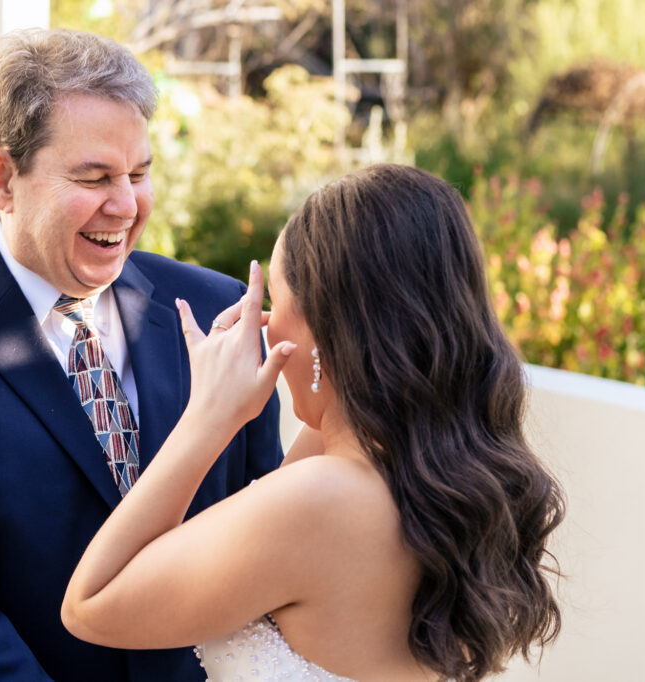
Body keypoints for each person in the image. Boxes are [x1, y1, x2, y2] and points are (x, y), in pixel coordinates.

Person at [0, 28, 283, 682]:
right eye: (94, 177)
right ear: (0, 178)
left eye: (139, 174)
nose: (125, 205)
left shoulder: (218, 310)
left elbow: (265, 535)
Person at [62, 163, 565, 682]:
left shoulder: (322, 498)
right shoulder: (438, 469)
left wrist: (207, 417)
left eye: (275, 301)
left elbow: (90, 604)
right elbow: (343, 414)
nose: (262, 323)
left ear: (326, 324)